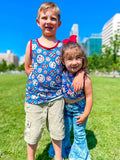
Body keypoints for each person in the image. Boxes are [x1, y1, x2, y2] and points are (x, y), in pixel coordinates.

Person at [24, 2, 84, 160]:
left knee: (58, 131)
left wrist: (80, 74)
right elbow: (27, 67)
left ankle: (59, 157)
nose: (48, 21)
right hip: (34, 98)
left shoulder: (62, 47)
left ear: (59, 23)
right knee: (33, 132)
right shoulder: (31, 45)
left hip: (56, 98)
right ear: (38, 22)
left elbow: (76, 62)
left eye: (53, 18)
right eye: (44, 18)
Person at [49, 36, 93, 160]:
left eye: (78, 58)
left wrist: (85, 114)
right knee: (64, 131)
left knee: (79, 134)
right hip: (65, 109)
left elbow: (89, 97)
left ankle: (79, 156)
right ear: (63, 61)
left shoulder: (85, 79)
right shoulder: (61, 74)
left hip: (80, 109)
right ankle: (63, 151)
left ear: (83, 59)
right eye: (69, 59)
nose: (74, 62)